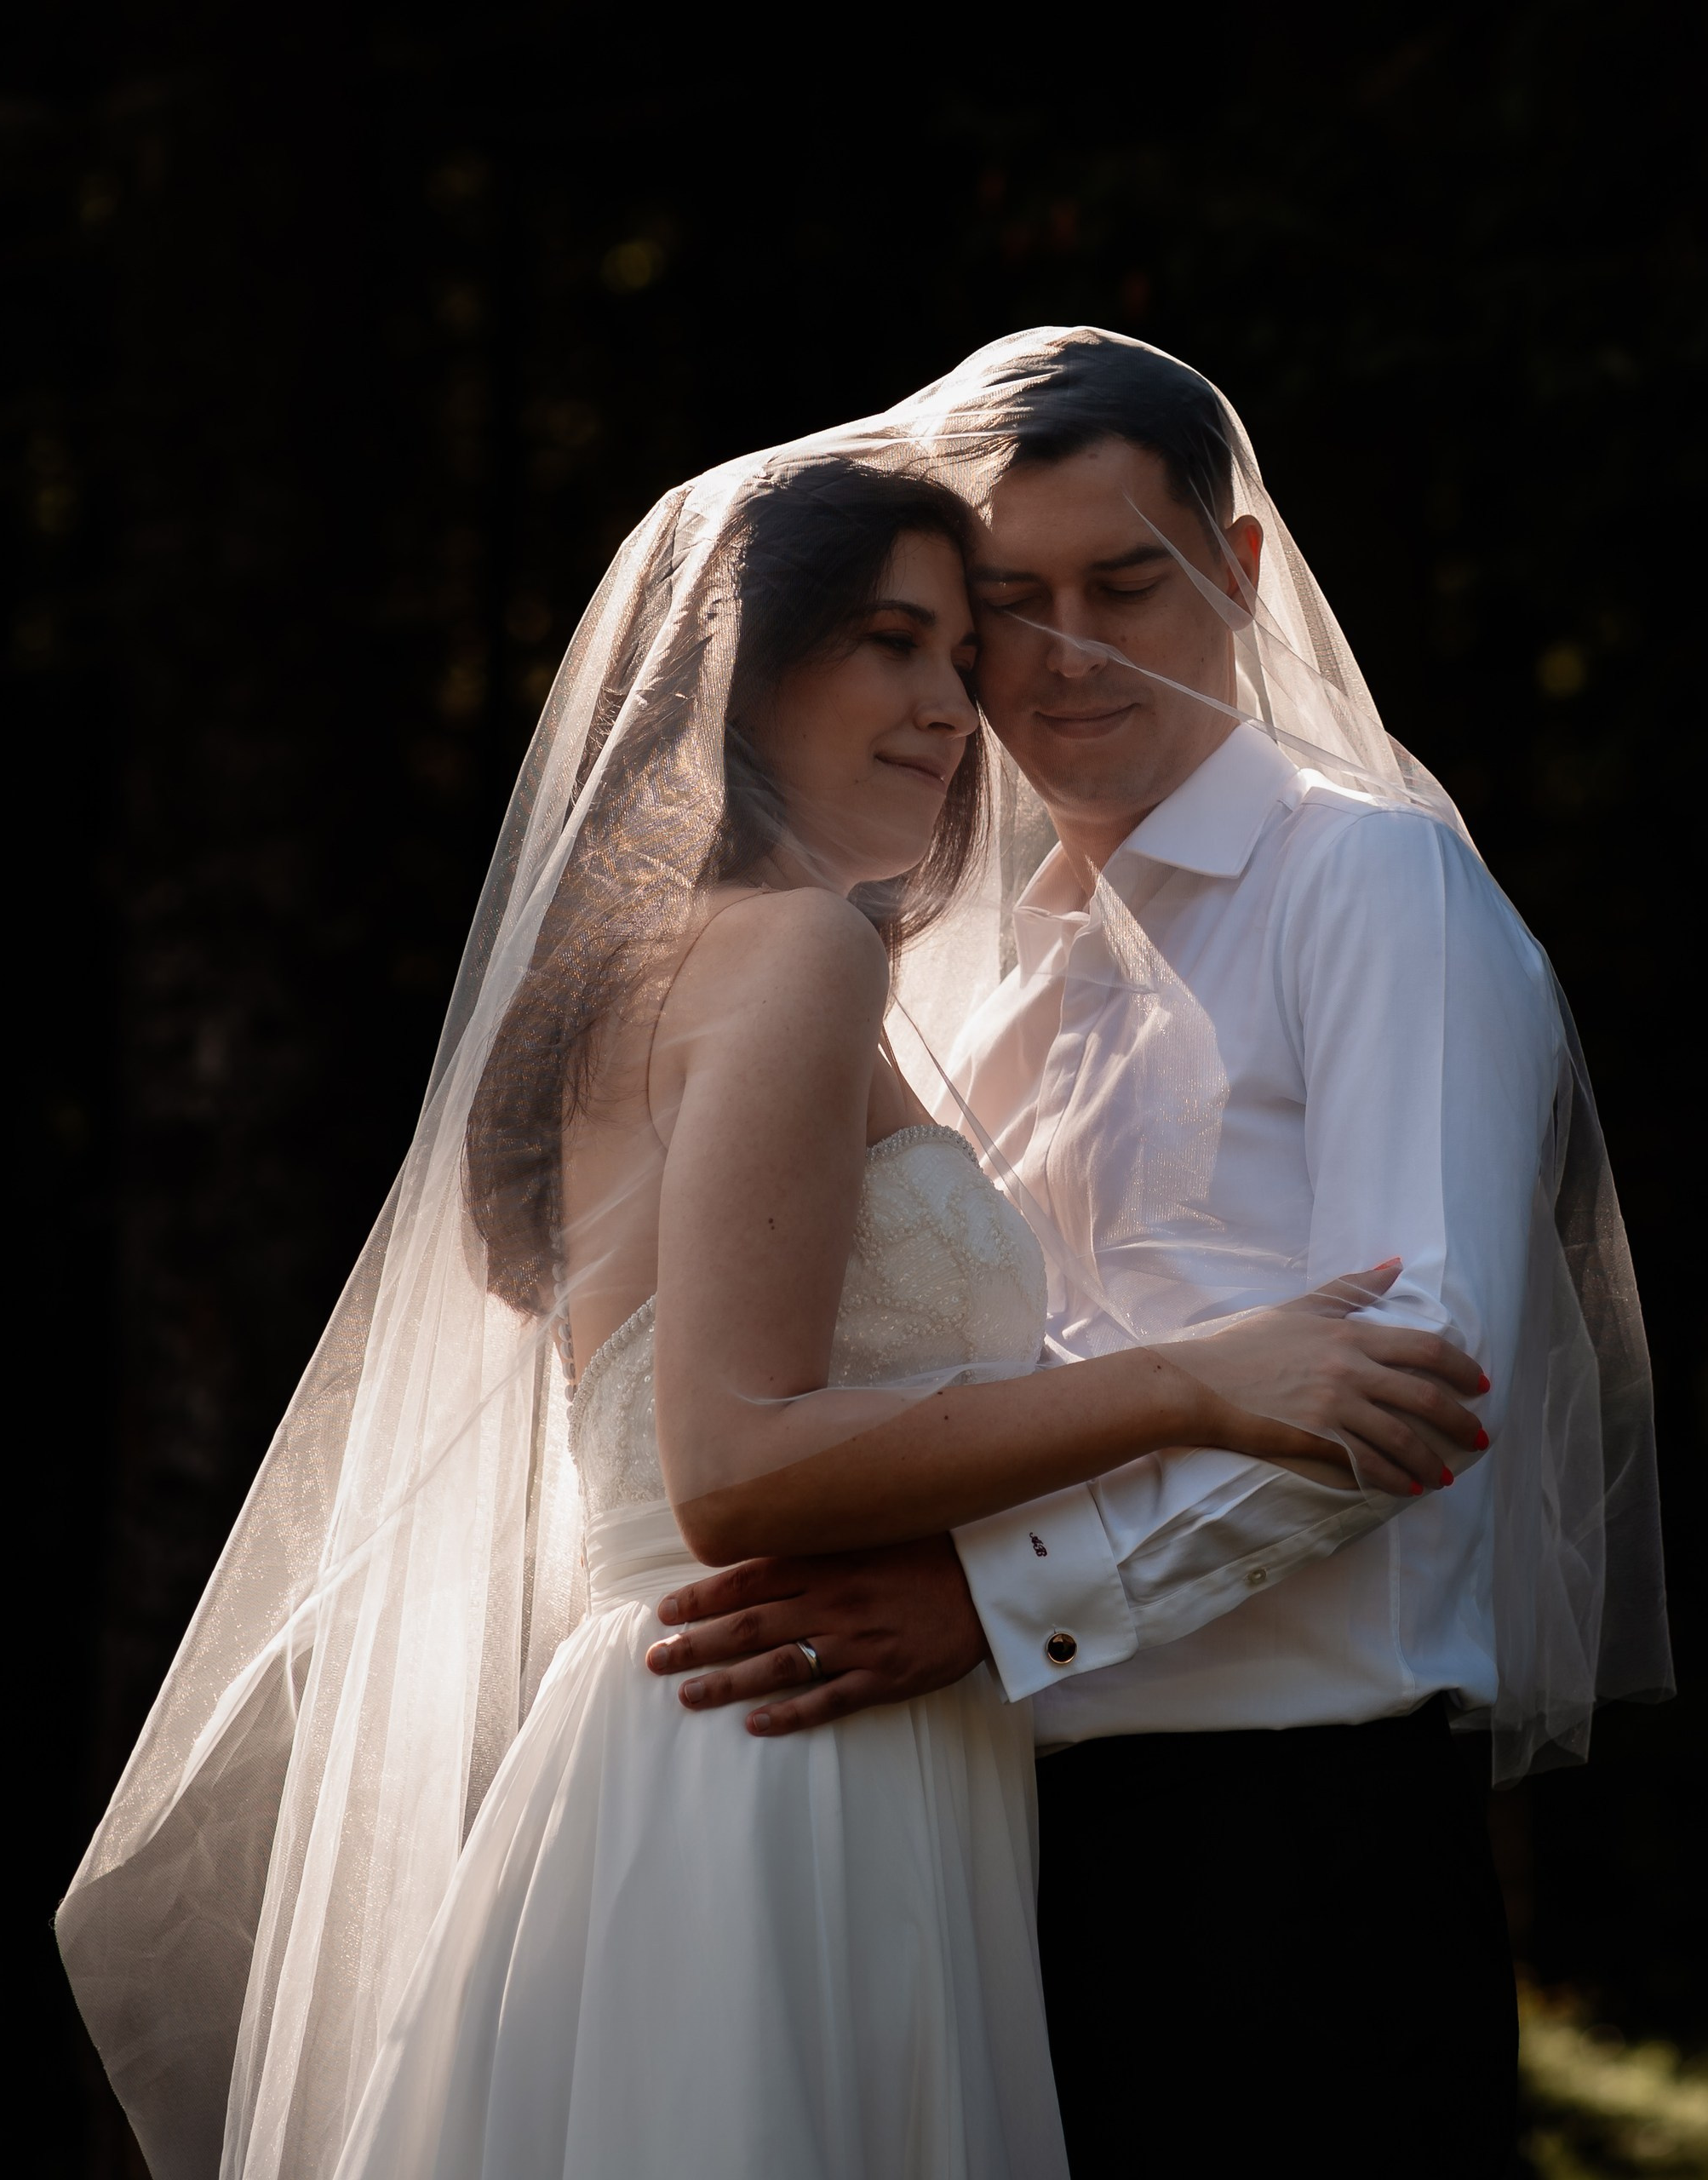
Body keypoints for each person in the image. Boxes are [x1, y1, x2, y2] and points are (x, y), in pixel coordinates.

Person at [59, 445, 1487, 2180]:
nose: (952, 704)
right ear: (744, 663)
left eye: (957, 656)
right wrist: (1195, 1379)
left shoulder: (688, 951)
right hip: (779, 1765)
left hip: (759, 1734)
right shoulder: (800, 950)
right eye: (891, 641)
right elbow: (729, 1463)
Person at [643, 333, 1671, 2180]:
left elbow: (1420, 1366)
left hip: (1284, 1837)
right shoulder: (959, 956)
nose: (1055, 655)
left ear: (1242, 570)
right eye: (1001, 607)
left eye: (1123, 582)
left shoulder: (1364, 883)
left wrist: (990, 1597)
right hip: (985, 1829)